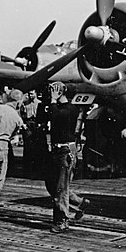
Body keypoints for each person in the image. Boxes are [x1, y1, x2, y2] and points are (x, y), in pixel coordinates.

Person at [45, 82, 90, 233]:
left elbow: (56, 116)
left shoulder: (71, 109)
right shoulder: (58, 108)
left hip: (65, 151)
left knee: (60, 189)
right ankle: (79, 202)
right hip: (57, 150)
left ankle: (62, 221)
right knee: (52, 185)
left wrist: (52, 100)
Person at [20, 90, 42, 179]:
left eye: (32, 94)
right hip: (28, 123)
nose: (30, 95)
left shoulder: (40, 103)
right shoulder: (25, 104)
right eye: (29, 94)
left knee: (37, 146)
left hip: (37, 123)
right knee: (27, 146)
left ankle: (36, 167)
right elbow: (21, 114)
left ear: (36, 94)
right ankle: (27, 167)